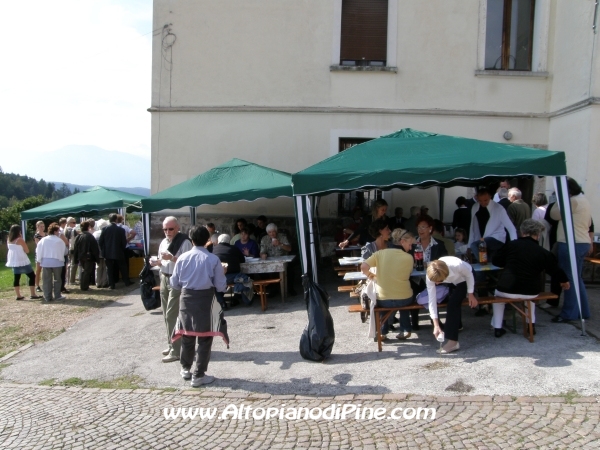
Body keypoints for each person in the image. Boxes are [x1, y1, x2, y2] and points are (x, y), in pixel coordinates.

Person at [170, 225, 228, 387]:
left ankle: (185, 368)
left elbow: (174, 283)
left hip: (186, 298)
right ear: (207, 240)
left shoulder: (182, 258)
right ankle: (199, 375)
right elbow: (221, 286)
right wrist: (222, 273)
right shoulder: (212, 259)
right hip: (205, 299)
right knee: (204, 337)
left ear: (191, 239)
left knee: (188, 334)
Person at [491, 219, 570, 337]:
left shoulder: (511, 245)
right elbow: (555, 270)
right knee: (530, 298)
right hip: (530, 291)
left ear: (522, 232)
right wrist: (564, 281)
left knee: (498, 297)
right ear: (538, 235)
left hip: (506, 289)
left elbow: (496, 261)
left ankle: (497, 328)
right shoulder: (543, 252)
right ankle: (530, 325)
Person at [151, 216, 193, 363]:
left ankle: (176, 350)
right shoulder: (163, 242)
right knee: (166, 314)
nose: (167, 232)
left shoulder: (184, 241)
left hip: (177, 280)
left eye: (170, 229)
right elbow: (162, 261)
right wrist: (158, 262)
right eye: (165, 229)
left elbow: (187, 263)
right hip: (164, 277)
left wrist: (172, 258)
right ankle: (172, 344)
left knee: (172, 315)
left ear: (177, 228)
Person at [550, 177, 592, 323]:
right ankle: (583, 311)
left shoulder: (572, 201)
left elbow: (554, 214)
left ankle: (568, 313)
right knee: (577, 279)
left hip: (570, 243)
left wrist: (560, 199)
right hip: (581, 242)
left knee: (568, 280)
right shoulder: (583, 199)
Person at [360, 228, 414, 341]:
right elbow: (408, 275)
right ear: (402, 241)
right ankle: (405, 329)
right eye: (410, 244)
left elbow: (363, 267)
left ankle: (382, 332)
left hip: (384, 298)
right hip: (404, 298)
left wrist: (371, 276)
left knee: (383, 302)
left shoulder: (379, 253)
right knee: (405, 301)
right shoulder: (409, 257)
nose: (411, 247)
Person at [426, 257, 478, 353]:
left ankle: (453, 342)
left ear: (445, 276)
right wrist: (436, 325)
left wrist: (471, 293)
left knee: (452, 305)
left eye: (439, 282)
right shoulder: (431, 274)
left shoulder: (458, 266)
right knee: (452, 302)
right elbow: (432, 300)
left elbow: (469, 275)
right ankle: (458, 326)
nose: (437, 284)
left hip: (465, 277)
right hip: (452, 280)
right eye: (435, 282)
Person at [411, 215, 448, 329]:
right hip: (415, 279)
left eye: (423, 227)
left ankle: (434, 320)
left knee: (438, 291)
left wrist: (429, 264)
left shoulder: (439, 244)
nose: (420, 230)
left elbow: (444, 262)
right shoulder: (412, 243)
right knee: (413, 289)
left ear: (430, 229)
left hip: (433, 278)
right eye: (418, 227)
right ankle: (414, 321)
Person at [468, 187, 517, 261]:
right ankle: (485, 267)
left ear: (490, 197)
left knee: (475, 246)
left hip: (497, 238)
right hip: (482, 240)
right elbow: (472, 227)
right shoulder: (475, 207)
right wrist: (469, 245)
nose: (483, 203)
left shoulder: (499, 208)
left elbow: (511, 228)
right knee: (489, 262)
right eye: (480, 200)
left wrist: (514, 245)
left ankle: (484, 265)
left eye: (485, 200)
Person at [213, 234, 253, 307]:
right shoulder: (234, 248)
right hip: (234, 276)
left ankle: (222, 303)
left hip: (219, 277)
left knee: (215, 282)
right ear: (229, 241)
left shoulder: (213, 249)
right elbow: (242, 260)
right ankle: (243, 299)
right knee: (243, 279)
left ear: (218, 241)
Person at [36, 223, 68, 302]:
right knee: (57, 279)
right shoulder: (59, 241)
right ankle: (57, 295)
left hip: (46, 262)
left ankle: (47, 296)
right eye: (58, 231)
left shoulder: (43, 240)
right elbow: (64, 252)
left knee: (46, 280)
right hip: (57, 262)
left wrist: (39, 260)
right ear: (55, 231)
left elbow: (38, 250)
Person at [6, 225, 39, 300]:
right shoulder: (19, 240)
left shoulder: (9, 240)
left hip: (14, 261)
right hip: (22, 260)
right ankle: (33, 294)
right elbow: (27, 250)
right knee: (31, 276)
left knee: (17, 278)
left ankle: (18, 295)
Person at [99, 213, 131, 289]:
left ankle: (111, 284)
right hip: (119, 251)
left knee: (109, 269)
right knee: (123, 267)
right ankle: (126, 281)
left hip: (108, 252)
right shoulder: (121, 230)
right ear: (116, 220)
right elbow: (124, 242)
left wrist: (104, 250)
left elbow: (101, 242)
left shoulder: (104, 229)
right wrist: (122, 249)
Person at [72, 221, 100, 291]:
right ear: (88, 227)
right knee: (87, 271)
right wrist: (97, 258)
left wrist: (75, 258)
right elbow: (95, 248)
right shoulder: (90, 236)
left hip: (81, 256)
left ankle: (83, 285)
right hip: (88, 256)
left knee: (84, 271)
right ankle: (84, 287)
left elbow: (75, 248)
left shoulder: (78, 236)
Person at [93, 219, 110, 288]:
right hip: (105, 252)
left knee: (98, 267)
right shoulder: (106, 233)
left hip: (97, 253)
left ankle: (98, 282)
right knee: (105, 268)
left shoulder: (95, 233)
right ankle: (104, 282)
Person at [33, 220, 47, 292]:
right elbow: (38, 245)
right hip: (39, 254)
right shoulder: (36, 235)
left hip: (46, 254)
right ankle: (37, 285)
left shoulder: (46, 234)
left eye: (43, 226)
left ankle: (45, 284)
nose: (42, 228)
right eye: (41, 226)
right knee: (38, 270)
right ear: (37, 227)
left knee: (46, 270)